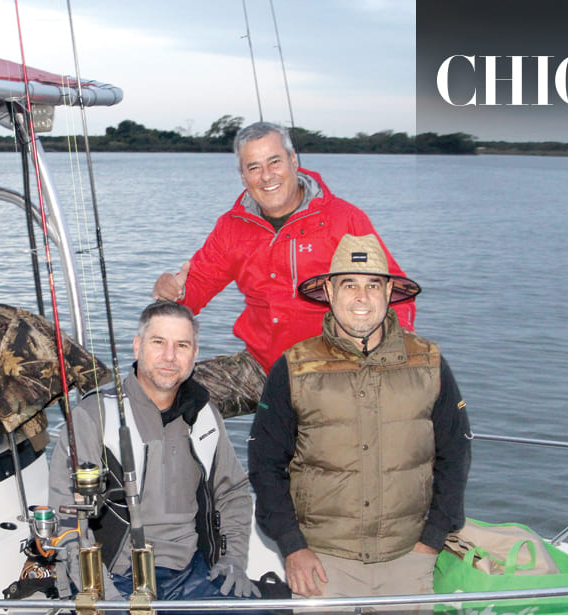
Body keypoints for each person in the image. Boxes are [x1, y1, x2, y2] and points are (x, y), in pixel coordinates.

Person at [249, 233, 470, 615]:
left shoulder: (429, 363)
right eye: (349, 284)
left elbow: (456, 455)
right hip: (325, 551)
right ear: (329, 292)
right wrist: (293, 545)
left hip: (405, 548)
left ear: (390, 292)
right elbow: (265, 465)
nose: (362, 297)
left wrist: (431, 538)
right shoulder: (294, 367)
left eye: (373, 284)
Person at [49, 300, 284, 615]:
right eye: (158, 342)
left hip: (185, 570)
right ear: (137, 346)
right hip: (115, 573)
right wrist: (99, 596)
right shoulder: (94, 417)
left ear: (195, 355)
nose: (170, 356)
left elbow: (234, 493)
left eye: (183, 345)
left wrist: (232, 559)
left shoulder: (205, 415)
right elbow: (66, 519)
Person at [152, 121, 416, 416]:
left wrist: (386, 354)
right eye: (253, 167)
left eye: (274, 162)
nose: (266, 176)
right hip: (261, 368)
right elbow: (197, 285)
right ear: (242, 176)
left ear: (293, 161)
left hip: (333, 373)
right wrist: (176, 291)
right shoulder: (231, 226)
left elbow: (395, 293)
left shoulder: (344, 220)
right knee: (160, 393)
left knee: (310, 451)